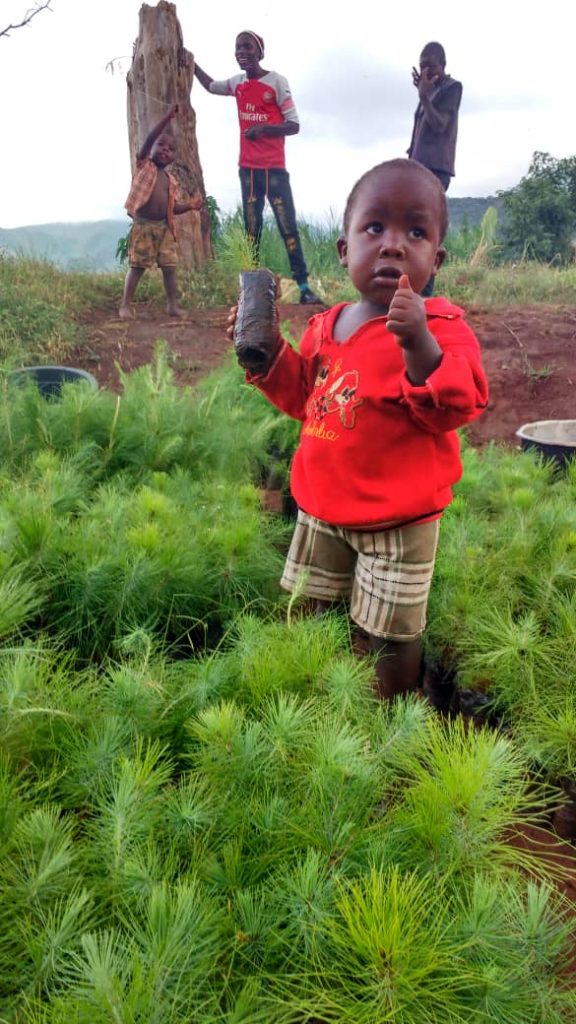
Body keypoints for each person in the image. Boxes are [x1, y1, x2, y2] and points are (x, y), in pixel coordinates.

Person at [228, 158, 488, 700]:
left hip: (398, 521)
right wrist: (266, 351)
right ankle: (306, 693)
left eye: (415, 232)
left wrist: (417, 342)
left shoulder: (441, 326)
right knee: (310, 606)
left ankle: (390, 711)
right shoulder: (327, 325)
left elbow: (459, 401)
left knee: (391, 634)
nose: (394, 244)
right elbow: (305, 397)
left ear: (435, 258)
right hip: (322, 509)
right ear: (345, 250)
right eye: (375, 228)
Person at [193, 31, 323, 305]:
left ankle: (303, 287)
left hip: (274, 170)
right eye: (238, 47)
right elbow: (210, 86)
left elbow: (294, 125)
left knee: (288, 228)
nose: (242, 52)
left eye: (247, 47)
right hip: (249, 172)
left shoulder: (276, 82)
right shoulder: (237, 83)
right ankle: (251, 292)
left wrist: (263, 129)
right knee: (252, 230)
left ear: (260, 52)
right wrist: (191, 64)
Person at [119, 104, 203, 320]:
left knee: (169, 267)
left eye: (171, 149)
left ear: (174, 157)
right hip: (143, 226)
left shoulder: (171, 181)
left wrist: (191, 206)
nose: (166, 150)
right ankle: (125, 305)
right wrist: (167, 117)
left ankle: (172, 305)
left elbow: (172, 208)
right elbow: (149, 139)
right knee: (137, 266)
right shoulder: (144, 165)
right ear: (151, 147)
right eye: (161, 145)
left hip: (164, 229)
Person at [408, 42, 462, 296]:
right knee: (413, 227)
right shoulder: (428, 92)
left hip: (436, 170)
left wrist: (423, 95)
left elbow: (439, 125)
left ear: (443, 65)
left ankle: (425, 294)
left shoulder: (452, 88)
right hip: (417, 169)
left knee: (427, 228)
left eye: (431, 65)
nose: (426, 70)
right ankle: (415, 288)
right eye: (422, 65)